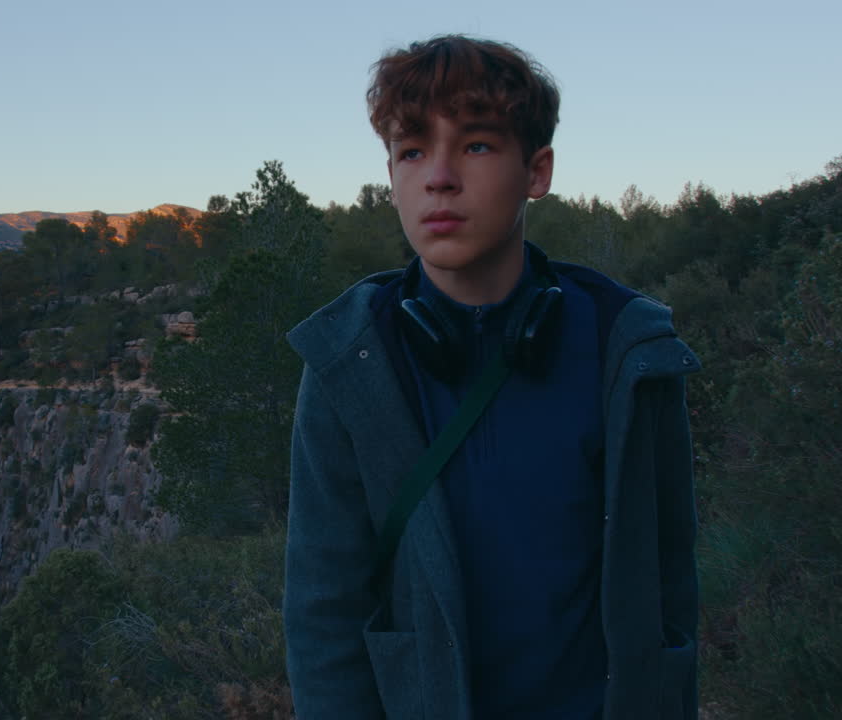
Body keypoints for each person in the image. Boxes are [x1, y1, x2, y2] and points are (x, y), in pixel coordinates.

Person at [283, 35, 701, 719]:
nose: (438, 177)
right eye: (412, 151)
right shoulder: (350, 359)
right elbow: (323, 615)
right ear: (390, 176)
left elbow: (668, 584)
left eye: (475, 145)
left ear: (536, 171)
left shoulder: (627, 349)